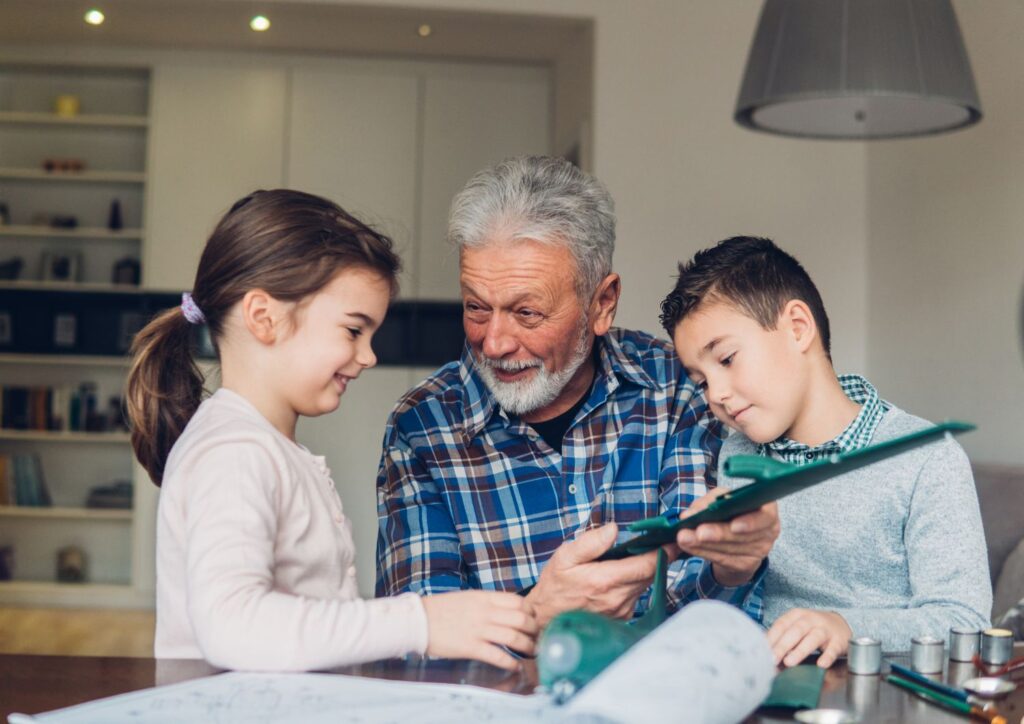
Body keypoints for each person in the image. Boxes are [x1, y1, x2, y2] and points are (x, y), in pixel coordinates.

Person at [125, 189, 537, 672]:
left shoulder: (261, 447)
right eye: (352, 330)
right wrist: (421, 621)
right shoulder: (234, 454)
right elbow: (232, 626)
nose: (368, 355)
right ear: (264, 317)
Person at [376, 157, 779, 628]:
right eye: (476, 307)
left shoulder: (676, 389)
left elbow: (703, 608)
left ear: (602, 303)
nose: (495, 342)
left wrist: (732, 566)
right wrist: (534, 615)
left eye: (527, 313)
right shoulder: (421, 427)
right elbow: (417, 640)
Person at [660, 235, 992, 668]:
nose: (716, 395)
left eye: (725, 359)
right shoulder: (738, 455)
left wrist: (845, 627)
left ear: (798, 328)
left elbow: (965, 622)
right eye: (701, 381)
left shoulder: (927, 457)